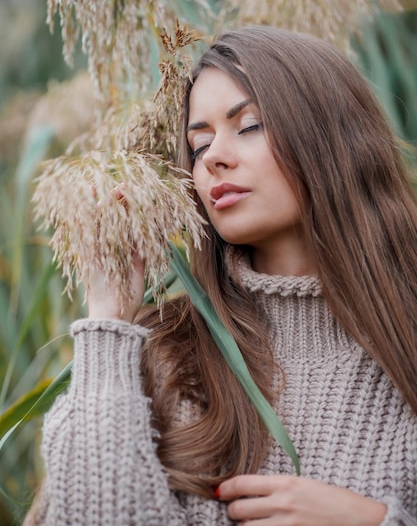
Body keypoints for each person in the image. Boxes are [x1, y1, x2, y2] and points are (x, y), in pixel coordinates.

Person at [24, 26, 417, 526]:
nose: (212, 157)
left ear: (333, 137)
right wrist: (108, 323)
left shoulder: (406, 340)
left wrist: (375, 521)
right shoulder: (161, 355)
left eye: (248, 126)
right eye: (199, 143)